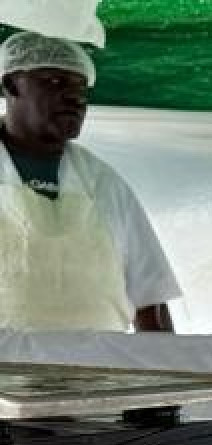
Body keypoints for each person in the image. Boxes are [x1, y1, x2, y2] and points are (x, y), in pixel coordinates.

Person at [0, 32, 180, 332]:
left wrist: (167, 359)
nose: (75, 98)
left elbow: (150, 297)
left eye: (82, 88)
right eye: (55, 82)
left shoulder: (103, 183)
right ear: (10, 85)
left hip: (97, 361)